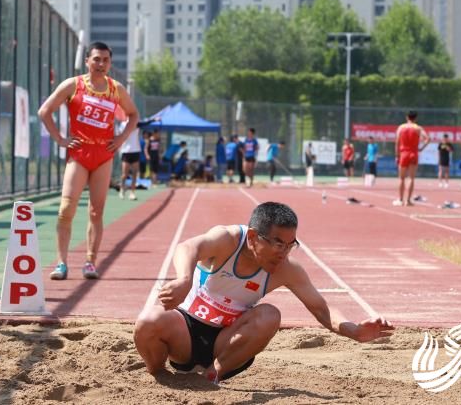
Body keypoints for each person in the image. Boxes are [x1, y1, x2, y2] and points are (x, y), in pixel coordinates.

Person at [133, 202, 394, 383]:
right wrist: (185, 279)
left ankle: (212, 375)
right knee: (147, 322)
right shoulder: (227, 240)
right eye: (278, 243)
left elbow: (321, 309)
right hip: (186, 331)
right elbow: (187, 247)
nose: (283, 252)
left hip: (228, 342)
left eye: (291, 245)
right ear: (253, 237)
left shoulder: (286, 268)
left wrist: (354, 331)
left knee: (270, 314)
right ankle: (159, 374)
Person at [39, 41, 139, 281]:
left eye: (105, 60)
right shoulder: (73, 85)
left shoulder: (116, 89)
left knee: (96, 211)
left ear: (110, 63)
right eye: (96, 59)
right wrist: (60, 139)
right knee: (66, 209)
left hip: (103, 156)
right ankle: (61, 263)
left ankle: (90, 262)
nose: (101, 64)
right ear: (87, 61)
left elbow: (134, 115)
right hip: (79, 154)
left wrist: (122, 138)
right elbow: (44, 111)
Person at [393, 111, 430, 206]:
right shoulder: (418, 128)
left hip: (404, 153)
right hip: (414, 153)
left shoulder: (401, 127)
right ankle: (408, 200)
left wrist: (397, 155)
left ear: (407, 117)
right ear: (415, 118)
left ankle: (401, 200)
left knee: (401, 178)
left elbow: (397, 142)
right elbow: (428, 139)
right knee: (411, 178)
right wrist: (421, 148)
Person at [117, 121, 141, 201]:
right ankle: (122, 189)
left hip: (136, 151)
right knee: (124, 174)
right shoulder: (123, 124)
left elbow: (145, 123)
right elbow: (120, 135)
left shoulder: (137, 123)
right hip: (126, 152)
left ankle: (132, 193)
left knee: (134, 174)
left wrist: (154, 120)